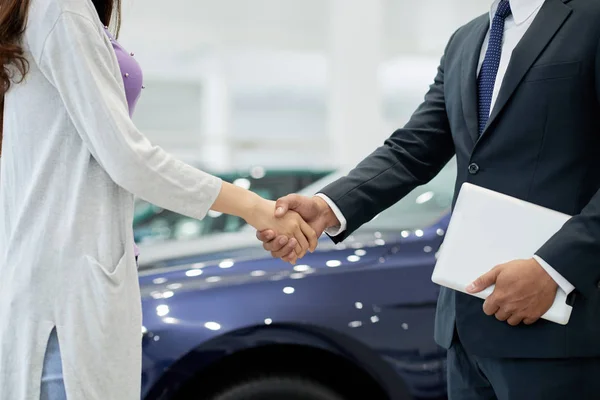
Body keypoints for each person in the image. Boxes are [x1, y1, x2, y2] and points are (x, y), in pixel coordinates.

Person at [259, 0, 600, 398]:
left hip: (565, 328)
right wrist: (328, 205)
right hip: (466, 330)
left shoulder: (590, 20)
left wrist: (554, 268)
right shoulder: (466, 40)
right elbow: (413, 148)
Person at [0, 0, 317, 398]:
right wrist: (255, 207)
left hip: (59, 280)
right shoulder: (60, 7)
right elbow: (128, 158)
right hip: (64, 297)